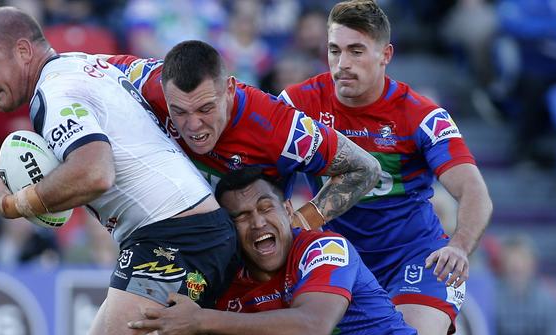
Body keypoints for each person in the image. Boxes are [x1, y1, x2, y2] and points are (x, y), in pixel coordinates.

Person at [0, 7, 237, 335]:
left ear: (23, 51)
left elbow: (95, 172)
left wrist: (15, 205)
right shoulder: (81, 65)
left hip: (170, 241)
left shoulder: (54, 92)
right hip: (191, 235)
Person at [277, 1, 493, 335]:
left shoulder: (421, 115)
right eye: (334, 51)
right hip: (339, 259)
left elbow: (474, 191)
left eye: (356, 51)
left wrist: (458, 246)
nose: (342, 63)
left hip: (415, 258)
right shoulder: (298, 104)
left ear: (385, 54)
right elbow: (261, 167)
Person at [128, 167, 447, 335]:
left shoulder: (324, 248)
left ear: (288, 210)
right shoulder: (223, 294)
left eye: (266, 208)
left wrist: (200, 320)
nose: (257, 222)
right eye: (240, 217)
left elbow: (311, 331)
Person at [90, 39, 380, 235]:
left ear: (229, 89)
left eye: (205, 109)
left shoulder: (281, 128)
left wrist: (299, 225)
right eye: (178, 111)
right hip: (183, 240)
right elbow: (80, 67)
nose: (192, 125)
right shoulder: (146, 80)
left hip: (254, 253)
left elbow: (365, 168)